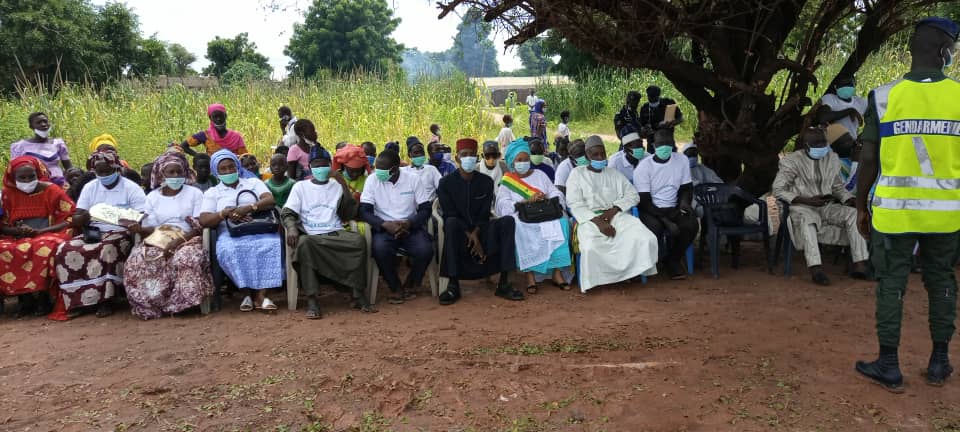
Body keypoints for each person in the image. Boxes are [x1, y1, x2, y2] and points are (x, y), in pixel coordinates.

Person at [854, 17, 960, 392]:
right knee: (942, 282)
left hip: (895, 214)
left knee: (891, 285)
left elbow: (867, 159)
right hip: (947, 215)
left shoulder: (882, 97)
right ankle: (939, 361)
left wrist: (860, 206)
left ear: (913, 49)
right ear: (945, 52)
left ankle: (888, 364)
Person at [282, 147, 372, 318]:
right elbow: (287, 212)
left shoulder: (336, 186)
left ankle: (357, 292)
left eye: (324, 165)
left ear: (330, 166)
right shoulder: (300, 187)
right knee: (304, 244)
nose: (321, 168)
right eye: (317, 165)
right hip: (312, 235)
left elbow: (349, 213)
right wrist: (292, 228)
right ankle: (312, 299)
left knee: (358, 242)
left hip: (335, 231)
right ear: (309, 166)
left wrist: (342, 183)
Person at [56, 149, 146, 318]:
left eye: (108, 171)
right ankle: (78, 301)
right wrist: (83, 216)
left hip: (120, 232)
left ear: (116, 168)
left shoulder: (130, 188)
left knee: (107, 249)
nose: (104, 175)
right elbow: (77, 216)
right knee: (65, 249)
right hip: (94, 231)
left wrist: (125, 220)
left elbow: (141, 215)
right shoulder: (90, 187)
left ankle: (106, 300)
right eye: (100, 171)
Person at [773, 127, 869, 285]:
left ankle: (860, 264)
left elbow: (837, 187)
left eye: (823, 142)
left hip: (825, 205)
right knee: (808, 219)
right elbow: (778, 190)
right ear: (806, 146)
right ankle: (816, 268)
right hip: (800, 206)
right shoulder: (791, 161)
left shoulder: (831, 158)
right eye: (816, 143)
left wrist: (848, 199)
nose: (821, 146)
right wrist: (807, 200)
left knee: (853, 214)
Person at [123, 151, 212, 320]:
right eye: (171, 172)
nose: (176, 176)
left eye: (179, 171)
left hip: (189, 236)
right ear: (161, 174)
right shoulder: (152, 197)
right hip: (160, 236)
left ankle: (184, 304)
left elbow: (199, 225)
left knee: (186, 257)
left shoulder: (195, 194)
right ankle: (154, 306)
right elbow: (150, 228)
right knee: (137, 261)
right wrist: (139, 230)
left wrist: (179, 241)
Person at [567, 135, 659, 292]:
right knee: (590, 247)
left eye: (602, 153)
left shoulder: (613, 173)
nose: (600, 157)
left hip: (616, 215)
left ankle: (631, 272)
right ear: (587, 155)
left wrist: (613, 210)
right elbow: (574, 204)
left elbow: (633, 195)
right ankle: (599, 280)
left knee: (645, 238)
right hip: (589, 220)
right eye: (595, 154)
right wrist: (599, 222)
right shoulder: (577, 174)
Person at [437, 138, 523, 305]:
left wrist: (476, 234)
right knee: (451, 223)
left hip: (482, 229)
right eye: (464, 155)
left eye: (472, 155)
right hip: (459, 232)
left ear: (477, 158)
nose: (468, 158)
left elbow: (485, 214)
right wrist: (470, 235)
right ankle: (453, 285)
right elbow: (449, 213)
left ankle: (504, 283)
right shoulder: (446, 183)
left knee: (507, 222)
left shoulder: (486, 182)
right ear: (457, 158)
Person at [199, 149, 282, 312]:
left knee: (272, 243)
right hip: (230, 233)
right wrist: (225, 213)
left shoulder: (253, 183)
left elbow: (269, 199)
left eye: (231, 167)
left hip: (260, 228)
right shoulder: (213, 193)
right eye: (223, 169)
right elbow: (204, 220)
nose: (228, 171)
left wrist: (249, 208)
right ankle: (246, 293)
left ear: (237, 167)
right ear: (216, 171)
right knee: (230, 249)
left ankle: (261, 295)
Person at [0, 157, 75, 318]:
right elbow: (3, 225)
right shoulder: (7, 194)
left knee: (42, 247)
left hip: (50, 233)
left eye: (31, 176)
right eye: (22, 178)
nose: (27, 181)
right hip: (18, 236)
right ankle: (24, 299)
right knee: (5, 249)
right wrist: (18, 231)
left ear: (38, 174)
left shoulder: (52, 191)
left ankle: (42, 297)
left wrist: (41, 231)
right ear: (14, 178)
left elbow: (69, 218)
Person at [496, 138, 572, 294]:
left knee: (562, 222)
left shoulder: (540, 175)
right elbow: (502, 205)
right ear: (512, 161)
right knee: (520, 227)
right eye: (519, 160)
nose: (523, 162)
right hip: (523, 216)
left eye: (526, 159)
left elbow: (555, 192)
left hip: (545, 212)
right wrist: (525, 201)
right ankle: (530, 275)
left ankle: (557, 273)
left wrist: (546, 197)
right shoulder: (508, 181)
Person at [359, 150, 433, 304]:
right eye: (376, 169)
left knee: (426, 249)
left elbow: (426, 209)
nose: (377, 172)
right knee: (380, 249)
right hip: (384, 228)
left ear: (395, 168)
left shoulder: (413, 179)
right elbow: (364, 211)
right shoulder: (372, 180)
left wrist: (409, 223)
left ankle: (412, 283)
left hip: (409, 227)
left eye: (382, 170)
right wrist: (384, 224)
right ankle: (395, 287)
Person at [634, 130, 700, 279]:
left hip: (674, 206)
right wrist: (667, 221)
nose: (665, 147)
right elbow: (644, 201)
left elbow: (686, 188)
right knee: (655, 228)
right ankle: (656, 260)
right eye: (660, 144)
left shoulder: (681, 160)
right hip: (651, 209)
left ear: (673, 144)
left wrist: (684, 203)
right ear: (653, 145)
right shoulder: (644, 168)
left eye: (668, 143)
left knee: (691, 225)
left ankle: (673, 260)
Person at [10, 112, 72, 186]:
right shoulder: (20, 146)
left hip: (59, 183)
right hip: (34, 185)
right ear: (31, 126)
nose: (43, 124)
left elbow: (69, 168)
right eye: (38, 122)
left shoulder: (58, 143)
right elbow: (14, 170)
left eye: (45, 121)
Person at [180, 103, 248, 156]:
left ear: (225, 116)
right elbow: (183, 145)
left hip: (233, 169)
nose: (218, 119)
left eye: (220, 116)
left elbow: (244, 156)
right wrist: (198, 155)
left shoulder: (236, 136)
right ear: (210, 118)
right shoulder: (205, 135)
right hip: (213, 171)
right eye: (215, 117)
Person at [683, 143, 723, 218]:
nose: (692, 156)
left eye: (694, 154)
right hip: (692, 201)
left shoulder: (702, 168)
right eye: (690, 154)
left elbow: (717, 181)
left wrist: (711, 188)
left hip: (708, 198)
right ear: (684, 155)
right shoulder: (682, 169)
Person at [639, 86, 683, 153]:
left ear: (658, 96)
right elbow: (642, 127)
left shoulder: (669, 103)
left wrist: (671, 123)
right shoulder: (644, 108)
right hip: (652, 143)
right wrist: (645, 129)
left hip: (668, 140)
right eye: (650, 97)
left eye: (654, 97)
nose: (651, 99)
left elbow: (680, 118)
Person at [402, 137, 442, 201]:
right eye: (416, 152)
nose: (419, 155)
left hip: (430, 206)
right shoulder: (404, 172)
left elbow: (442, 187)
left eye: (421, 152)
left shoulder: (431, 170)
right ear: (409, 155)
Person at [825, 123, 860, 193]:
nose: (853, 143)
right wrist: (856, 163)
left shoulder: (857, 155)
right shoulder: (834, 166)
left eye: (851, 139)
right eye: (846, 141)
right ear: (834, 148)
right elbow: (846, 191)